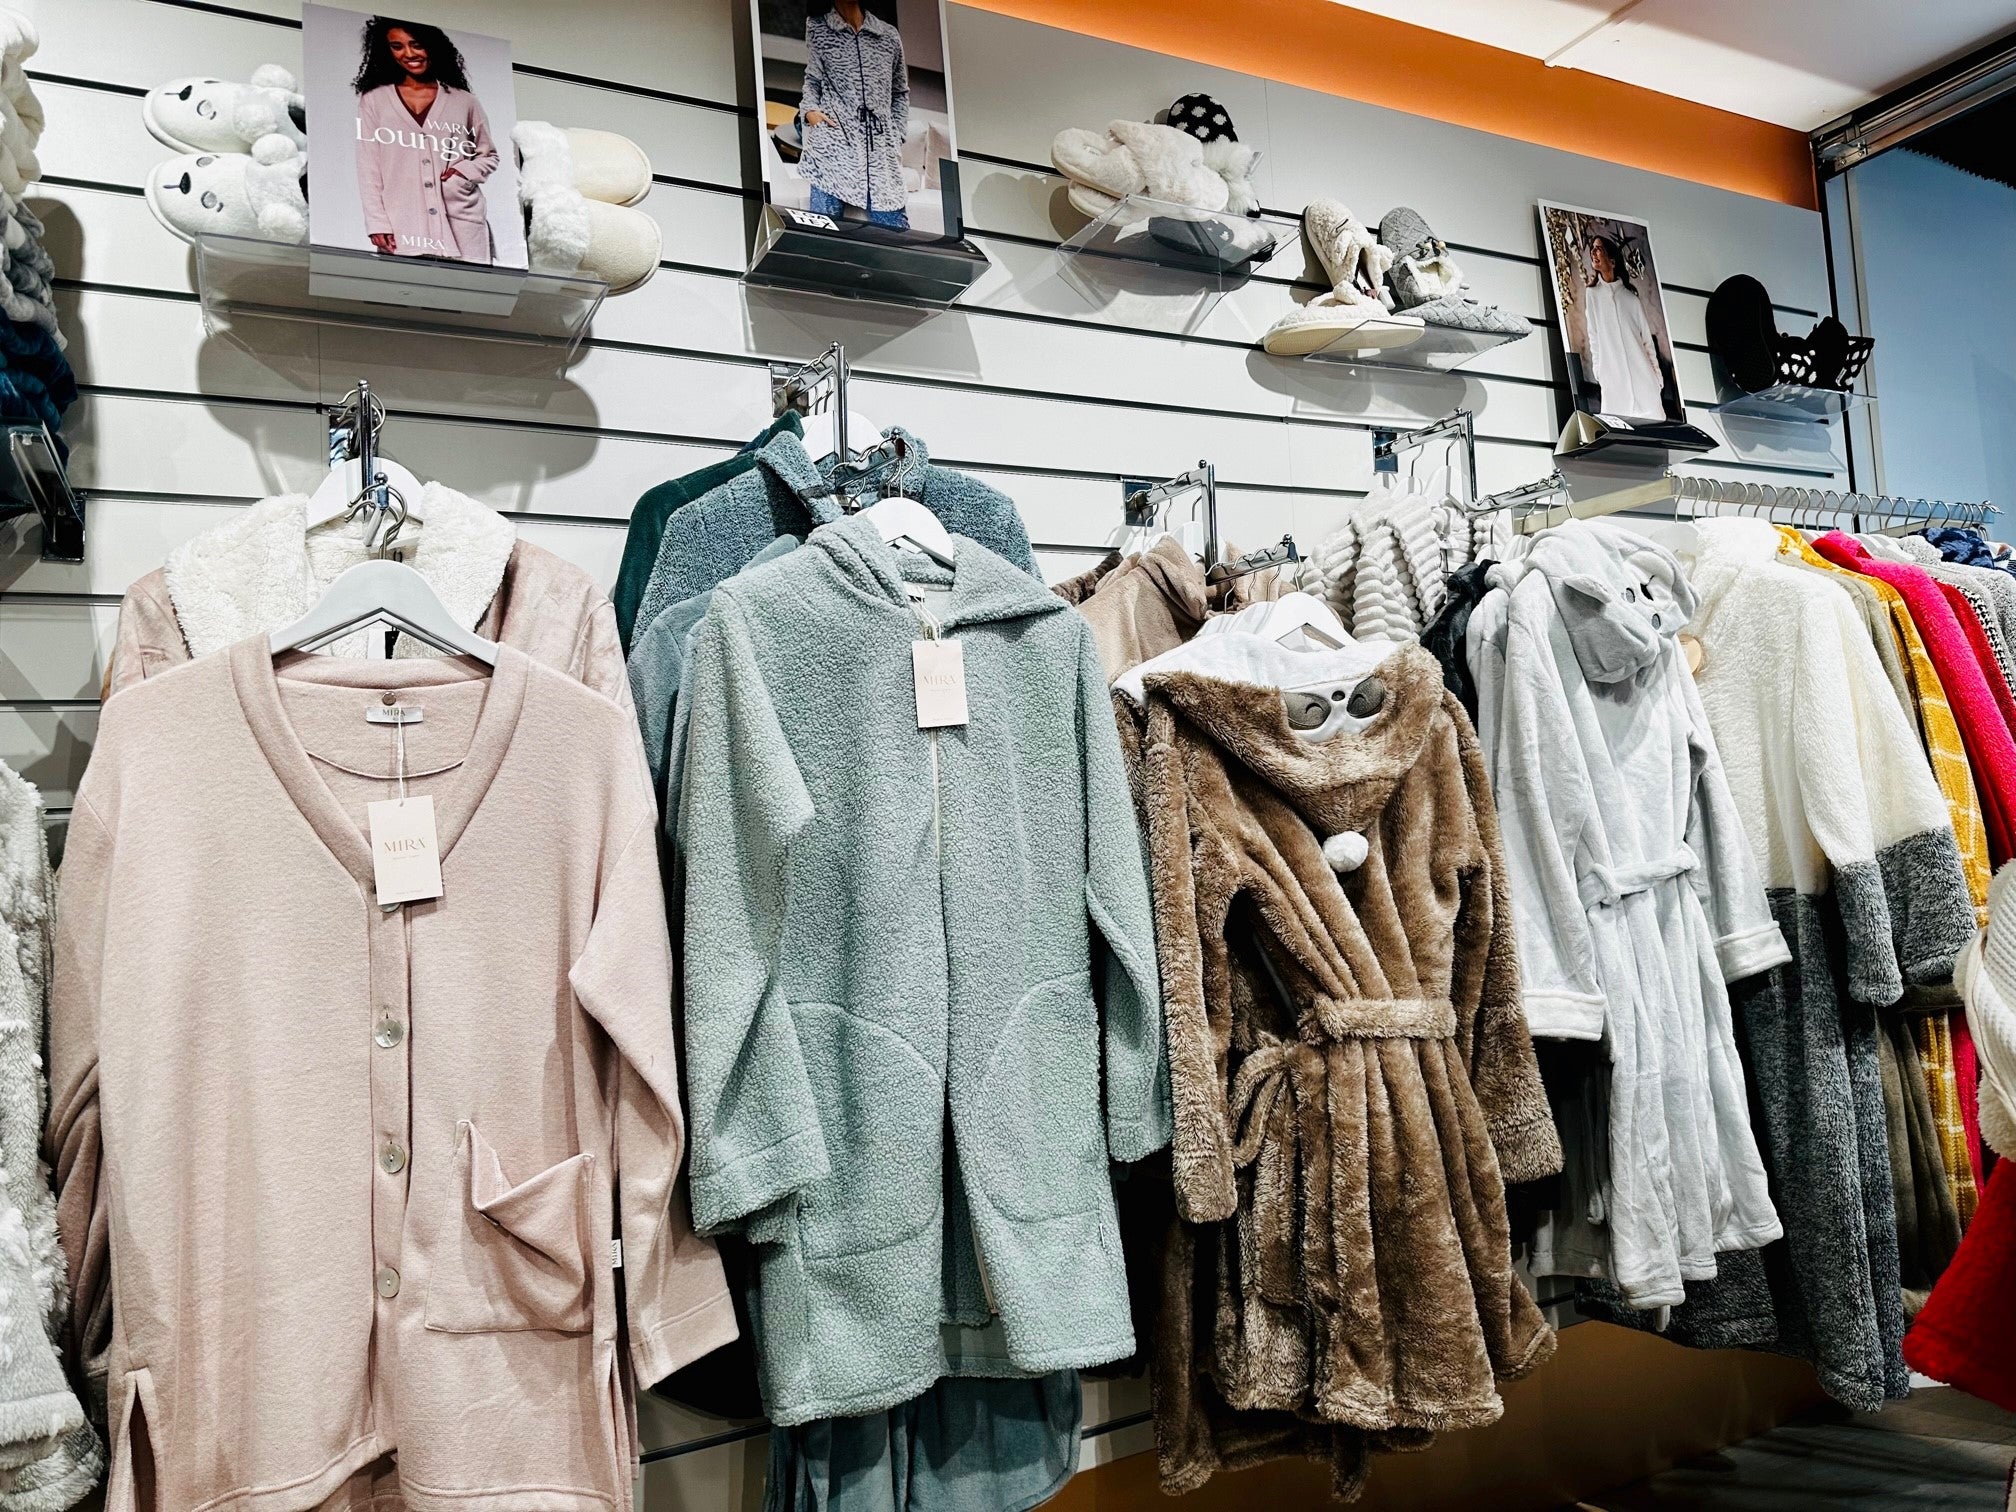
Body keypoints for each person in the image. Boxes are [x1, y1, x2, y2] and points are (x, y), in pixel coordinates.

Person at [352, 17, 501, 262]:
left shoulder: (464, 101)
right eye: (397, 46)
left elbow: (489, 155)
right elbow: (368, 166)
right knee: (402, 284)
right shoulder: (374, 100)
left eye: (417, 45)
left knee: (467, 286)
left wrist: (462, 174)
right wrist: (377, 222)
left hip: (462, 221)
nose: (409, 54)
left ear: (432, 47)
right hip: (402, 223)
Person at [799, 1, 911, 231]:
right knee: (823, 234)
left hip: (881, 153)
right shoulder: (818, 27)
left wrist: (896, 134)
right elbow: (812, 80)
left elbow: (900, 92)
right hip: (833, 144)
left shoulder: (888, 36)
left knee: (897, 238)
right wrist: (810, 111)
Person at [1580, 231, 1667, 420]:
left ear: (1612, 261)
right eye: (1592, 248)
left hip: (1643, 378)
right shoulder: (1592, 295)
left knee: (1652, 428)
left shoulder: (1631, 298)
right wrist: (1599, 371)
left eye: (1599, 249)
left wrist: (1657, 377)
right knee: (1618, 427)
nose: (1593, 252)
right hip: (1613, 379)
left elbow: (1646, 341)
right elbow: (1593, 336)